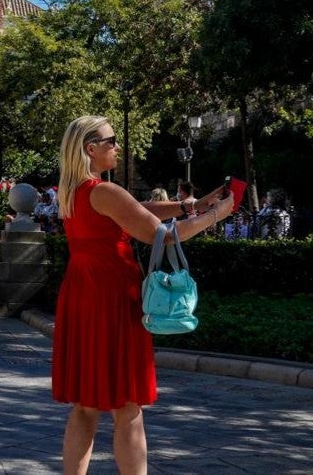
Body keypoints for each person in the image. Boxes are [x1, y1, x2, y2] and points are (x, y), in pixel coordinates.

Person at [53, 116, 234, 475]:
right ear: (91, 148)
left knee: (86, 405)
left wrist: (190, 206)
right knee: (127, 405)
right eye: (111, 141)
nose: (117, 146)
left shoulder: (74, 191)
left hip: (81, 293)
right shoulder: (105, 191)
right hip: (113, 296)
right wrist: (216, 215)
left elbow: (136, 212)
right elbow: (165, 236)